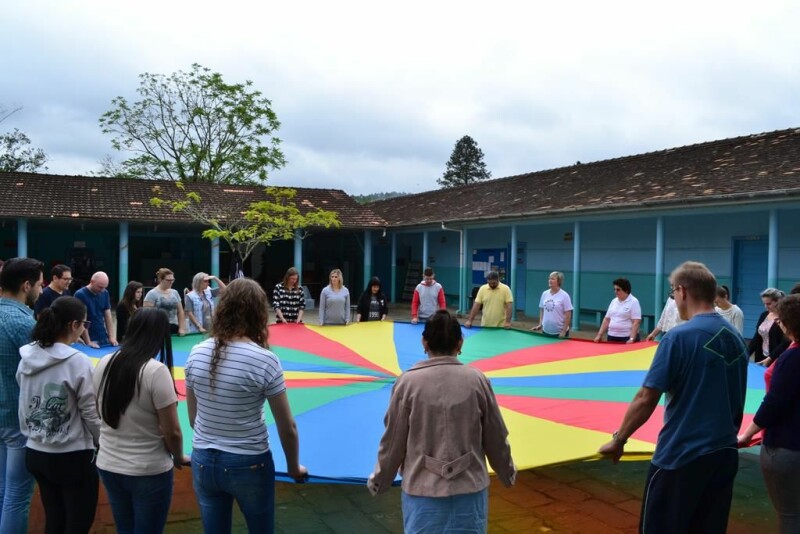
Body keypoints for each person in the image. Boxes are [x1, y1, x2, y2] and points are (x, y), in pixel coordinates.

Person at [598, 261, 748, 533]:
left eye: (672, 292)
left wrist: (619, 439)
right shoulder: (736, 339)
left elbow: (646, 397)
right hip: (724, 453)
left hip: (682, 455)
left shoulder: (679, 337)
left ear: (682, 291)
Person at [368, 310, 516, 532]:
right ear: (460, 342)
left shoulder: (408, 383)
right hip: (470, 490)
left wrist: (380, 481)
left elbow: (393, 443)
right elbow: (495, 436)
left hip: (422, 493)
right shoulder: (477, 381)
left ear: (424, 342)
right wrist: (507, 473)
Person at [185, 278, 307, 533]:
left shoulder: (196, 352)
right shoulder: (265, 360)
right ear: (258, 313)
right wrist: (294, 467)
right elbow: (288, 427)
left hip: (204, 459)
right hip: (249, 461)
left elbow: (193, 419)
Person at [93, 308, 187, 534]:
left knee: (125, 527)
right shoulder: (156, 371)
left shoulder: (104, 362)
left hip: (109, 463)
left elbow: (97, 410)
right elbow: (172, 430)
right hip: (148, 468)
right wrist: (178, 456)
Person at [17, 296, 100, 533]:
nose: (84, 328)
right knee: (78, 522)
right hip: (71, 454)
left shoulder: (27, 356)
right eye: (85, 323)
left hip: (35, 450)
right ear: (74, 325)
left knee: (54, 519)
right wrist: (102, 440)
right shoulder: (78, 361)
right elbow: (90, 412)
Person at [738, 294, 800, 533]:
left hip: (786, 445)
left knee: (790, 515)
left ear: (785, 324)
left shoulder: (792, 358)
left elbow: (775, 403)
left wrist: (747, 433)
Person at [0, 257, 43, 532]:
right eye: (40, 284)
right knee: (16, 495)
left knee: (4, 490)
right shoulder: (24, 323)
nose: (42, 290)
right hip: (18, 420)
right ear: (26, 285)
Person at [74, 271, 117, 348]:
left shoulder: (105, 293)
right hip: (87, 335)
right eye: (100, 287)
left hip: (102, 334)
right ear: (92, 282)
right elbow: (82, 320)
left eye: (105, 287)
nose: (102, 290)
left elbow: (108, 316)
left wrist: (111, 337)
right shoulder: (80, 295)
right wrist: (88, 341)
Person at [748, 288, 789, 366]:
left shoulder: (785, 317)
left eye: (769, 304)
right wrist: (746, 354)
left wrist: (771, 357)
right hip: (761, 356)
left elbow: (785, 342)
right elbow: (757, 337)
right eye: (764, 304)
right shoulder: (764, 315)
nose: (766, 307)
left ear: (778, 301)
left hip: (777, 358)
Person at [594, 278, 642, 343]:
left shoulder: (634, 302)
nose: (615, 291)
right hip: (611, 336)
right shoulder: (613, 301)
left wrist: (631, 338)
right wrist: (599, 335)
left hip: (626, 337)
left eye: (618, 290)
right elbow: (607, 319)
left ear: (626, 290)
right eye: (614, 289)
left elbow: (636, 322)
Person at [143, 268, 186, 336]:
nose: (171, 282)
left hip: (174, 327)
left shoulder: (175, 292)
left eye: (172, 280)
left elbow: (180, 312)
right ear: (160, 280)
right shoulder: (152, 294)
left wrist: (182, 328)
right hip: (157, 328)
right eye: (168, 280)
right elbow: (147, 315)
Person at [530, 271, 573, 338]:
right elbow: (542, 309)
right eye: (549, 278)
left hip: (559, 333)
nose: (550, 280)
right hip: (545, 331)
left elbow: (568, 313)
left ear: (559, 281)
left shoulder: (565, 295)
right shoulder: (545, 293)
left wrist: (564, 331)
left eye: (553, 279)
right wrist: (540, 324)